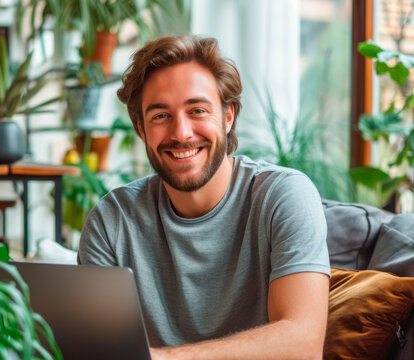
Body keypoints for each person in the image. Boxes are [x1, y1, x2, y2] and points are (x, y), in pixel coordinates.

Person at [78, 35, 330, 360]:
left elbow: (303, 346)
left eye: (197, 110)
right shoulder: (112, 220)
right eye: (160, 116)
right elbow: (96, 348)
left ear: (228, 117)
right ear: (141, 129)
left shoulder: (284, 196)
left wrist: (163, 359)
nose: (181, 133)